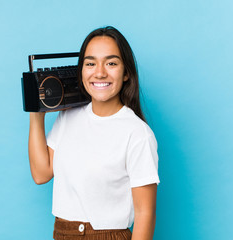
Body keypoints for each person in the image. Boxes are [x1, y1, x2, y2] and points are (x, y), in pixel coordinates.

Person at [28, 26, 160, 240]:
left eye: (111, 63)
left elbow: (146, 213)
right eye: (90, 63)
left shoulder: (137, 133)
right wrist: (37, 113)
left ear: (126, 73)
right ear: (81, 71)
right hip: (63, 233)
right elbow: (41, 174)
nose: (99, 72)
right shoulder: (67, 118)